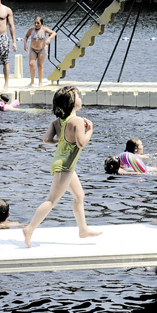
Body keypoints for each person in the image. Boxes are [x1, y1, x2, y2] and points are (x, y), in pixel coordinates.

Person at [22, 86, 102, 247]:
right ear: (71, 102)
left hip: (62, 163)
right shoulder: (77, 121)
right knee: (51, 200)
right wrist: (90, 130)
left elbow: (47, 140)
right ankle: (29, 228)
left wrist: (61, 140)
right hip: (64, 166)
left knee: (79, 195)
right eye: (77, 95)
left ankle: (83, 229)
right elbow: (81, 143)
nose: (80, 97)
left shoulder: (57, 122)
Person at [24, 17, 56, 89]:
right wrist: (25, 45)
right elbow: (26, 37)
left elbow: (54, 33)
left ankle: (40, 83)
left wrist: (49, 39)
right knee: (31, 64)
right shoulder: (31, 30)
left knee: (40, 65)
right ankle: (32, 81)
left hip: (42, 49)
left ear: (41, 24)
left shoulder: (44, 29)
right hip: (33, 49)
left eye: (38, 23)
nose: (36, 24)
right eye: (35, 23)